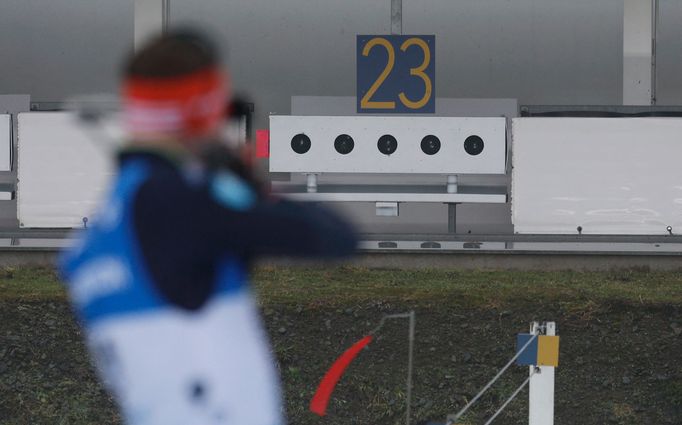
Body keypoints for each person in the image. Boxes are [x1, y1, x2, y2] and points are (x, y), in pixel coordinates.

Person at [59, 29, 357, 425]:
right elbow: (334, 235)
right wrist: (243, 183)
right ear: (204, 108)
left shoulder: (100, 231)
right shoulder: (187, 203)